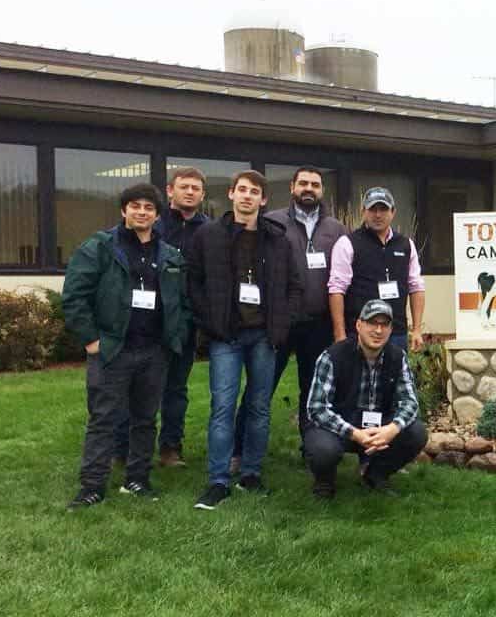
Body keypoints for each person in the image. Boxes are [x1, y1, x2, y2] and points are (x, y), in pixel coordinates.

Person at [62, 183, 192, 509]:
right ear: (124, 211)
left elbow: (183, 302)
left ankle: (137, 479)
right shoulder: (100, 247)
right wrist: (92, 340)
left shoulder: (170, 255)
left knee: (145, 420)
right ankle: (92, 486)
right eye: (135, 206)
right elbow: (75, 296)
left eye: (149, 208)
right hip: (112, 349)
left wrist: (172, 339)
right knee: (103, 419)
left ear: (157, 215)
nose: (142, 212)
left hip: (154, 351)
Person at [187, 170, 302, 510]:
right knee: (222, 407)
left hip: (264, 337)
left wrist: (281, 325)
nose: (248, 196)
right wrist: (209, 321)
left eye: (255, 192)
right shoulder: (209, 236)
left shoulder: (277, 240)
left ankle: (251, 473)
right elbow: (193, 282)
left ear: (264, 200)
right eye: (242, 190)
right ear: (231, 195)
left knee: (259, 408)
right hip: (227, 336)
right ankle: (218, 481)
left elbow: (294, 287)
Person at [236, 167, 348, 454]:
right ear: (292, 187)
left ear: (322, 190)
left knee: (313, 391)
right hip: (280, 321)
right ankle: (238, 449)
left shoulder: (335, 229)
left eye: (315, 184)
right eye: (303, 184)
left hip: (319, 323)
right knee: (261, 388)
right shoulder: (271, 222)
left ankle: (313, 449)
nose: (308, 189)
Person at [112, 167, 208, 468]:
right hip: (146, 322)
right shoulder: (153, 221)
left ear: (202, 194)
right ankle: (123, 448)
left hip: (184, 323)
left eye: (196, 188)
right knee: (133, 388)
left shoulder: (208, 230)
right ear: (170, 191)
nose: (190, 192)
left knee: (175, 388)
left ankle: (170, 447)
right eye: (184, 186)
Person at [304, 300, 428, 498]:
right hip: (341, 427)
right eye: (372, 323)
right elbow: (317, 408)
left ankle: (375, 475)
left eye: (384, 324)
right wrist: (355, 434)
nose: (378, 330)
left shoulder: (398, 357)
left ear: (390, 329)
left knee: (416, 433)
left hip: (379, 427)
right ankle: (324, 482)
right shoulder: (332, 356)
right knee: (323, 449)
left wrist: (391, 429)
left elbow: (411, 402)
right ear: (359, 325)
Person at [327, 187, 425, 352]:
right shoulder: (347, 243)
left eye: (383, 209)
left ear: (393, 212)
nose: (378, 215)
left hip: (396, 333)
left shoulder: (406, 245)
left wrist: (416, 330)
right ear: (363, 211)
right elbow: (336, 290)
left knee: (395, 378)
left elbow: (416, 287)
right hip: (358, 333)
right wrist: (340, 335)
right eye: (372, 209)